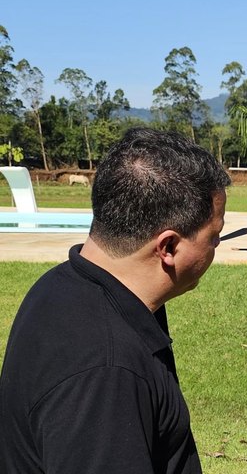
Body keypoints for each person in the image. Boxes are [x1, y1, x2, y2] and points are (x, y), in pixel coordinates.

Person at [0, 128, 231, 473]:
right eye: (214, 237)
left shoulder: (62, 285)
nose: (215, 247)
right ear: (167, 248)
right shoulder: (106, 372)